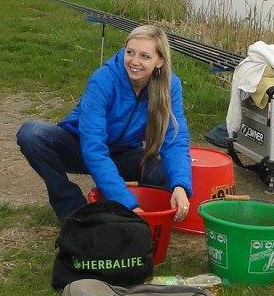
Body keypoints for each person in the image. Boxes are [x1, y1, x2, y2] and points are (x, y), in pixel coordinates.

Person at [16, 24, 193, 222]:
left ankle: (155, 216)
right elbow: (94, 148)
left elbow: (175, 139)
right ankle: (74, 210)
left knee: (161, 166)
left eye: (145, 56)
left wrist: (180, 185)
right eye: (130, 52)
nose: (134, 61)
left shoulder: (170, 86)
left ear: (159, 61)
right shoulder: (103, 80)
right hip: (81, 147)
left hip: (123, 153)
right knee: (32, 134)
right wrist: (127, 205)